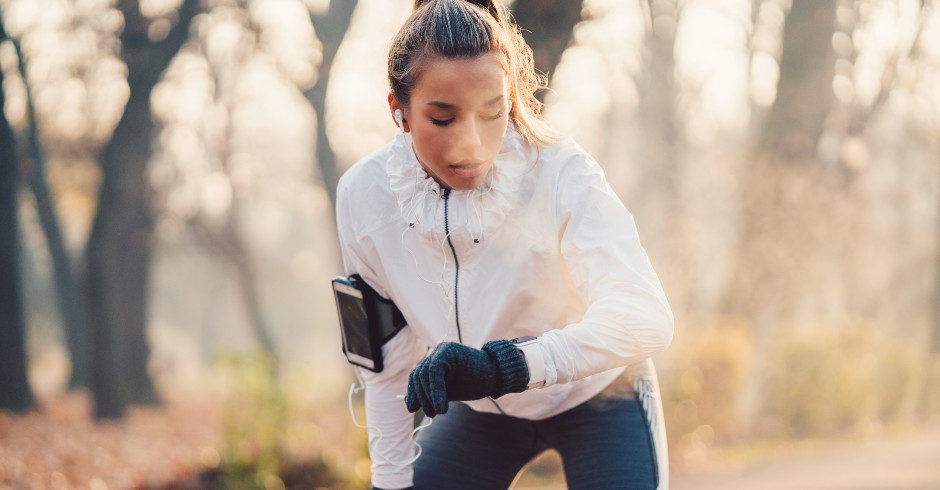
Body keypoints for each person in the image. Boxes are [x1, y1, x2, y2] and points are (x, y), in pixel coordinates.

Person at [334, 0, 674, 488]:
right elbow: (386, 366)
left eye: (493, 112)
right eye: (443, 119)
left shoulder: (562, 172)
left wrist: (504, 366)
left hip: (601, 397)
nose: (471, 143)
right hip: (481, 412)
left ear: (511, 98)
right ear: (399, 111)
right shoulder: (363, 197)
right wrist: (389, 481)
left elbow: (647, 317)